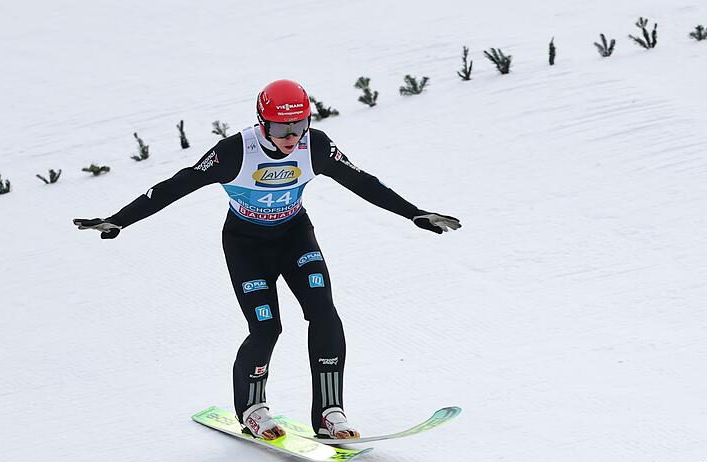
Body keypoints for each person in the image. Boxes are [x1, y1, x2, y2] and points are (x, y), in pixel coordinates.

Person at [74, 79, 461, 440]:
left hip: (295, 237)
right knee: (266, 328)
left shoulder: (316, 146)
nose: (291, 137)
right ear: (262, 122)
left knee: (324, 314)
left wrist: (414, 213)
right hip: (246, 246)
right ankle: (252, 410)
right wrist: (120, 220)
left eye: (300, 126)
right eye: (280, 128)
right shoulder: (233, 152)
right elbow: (175, 185)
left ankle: (329, 412)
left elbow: (363, 181)